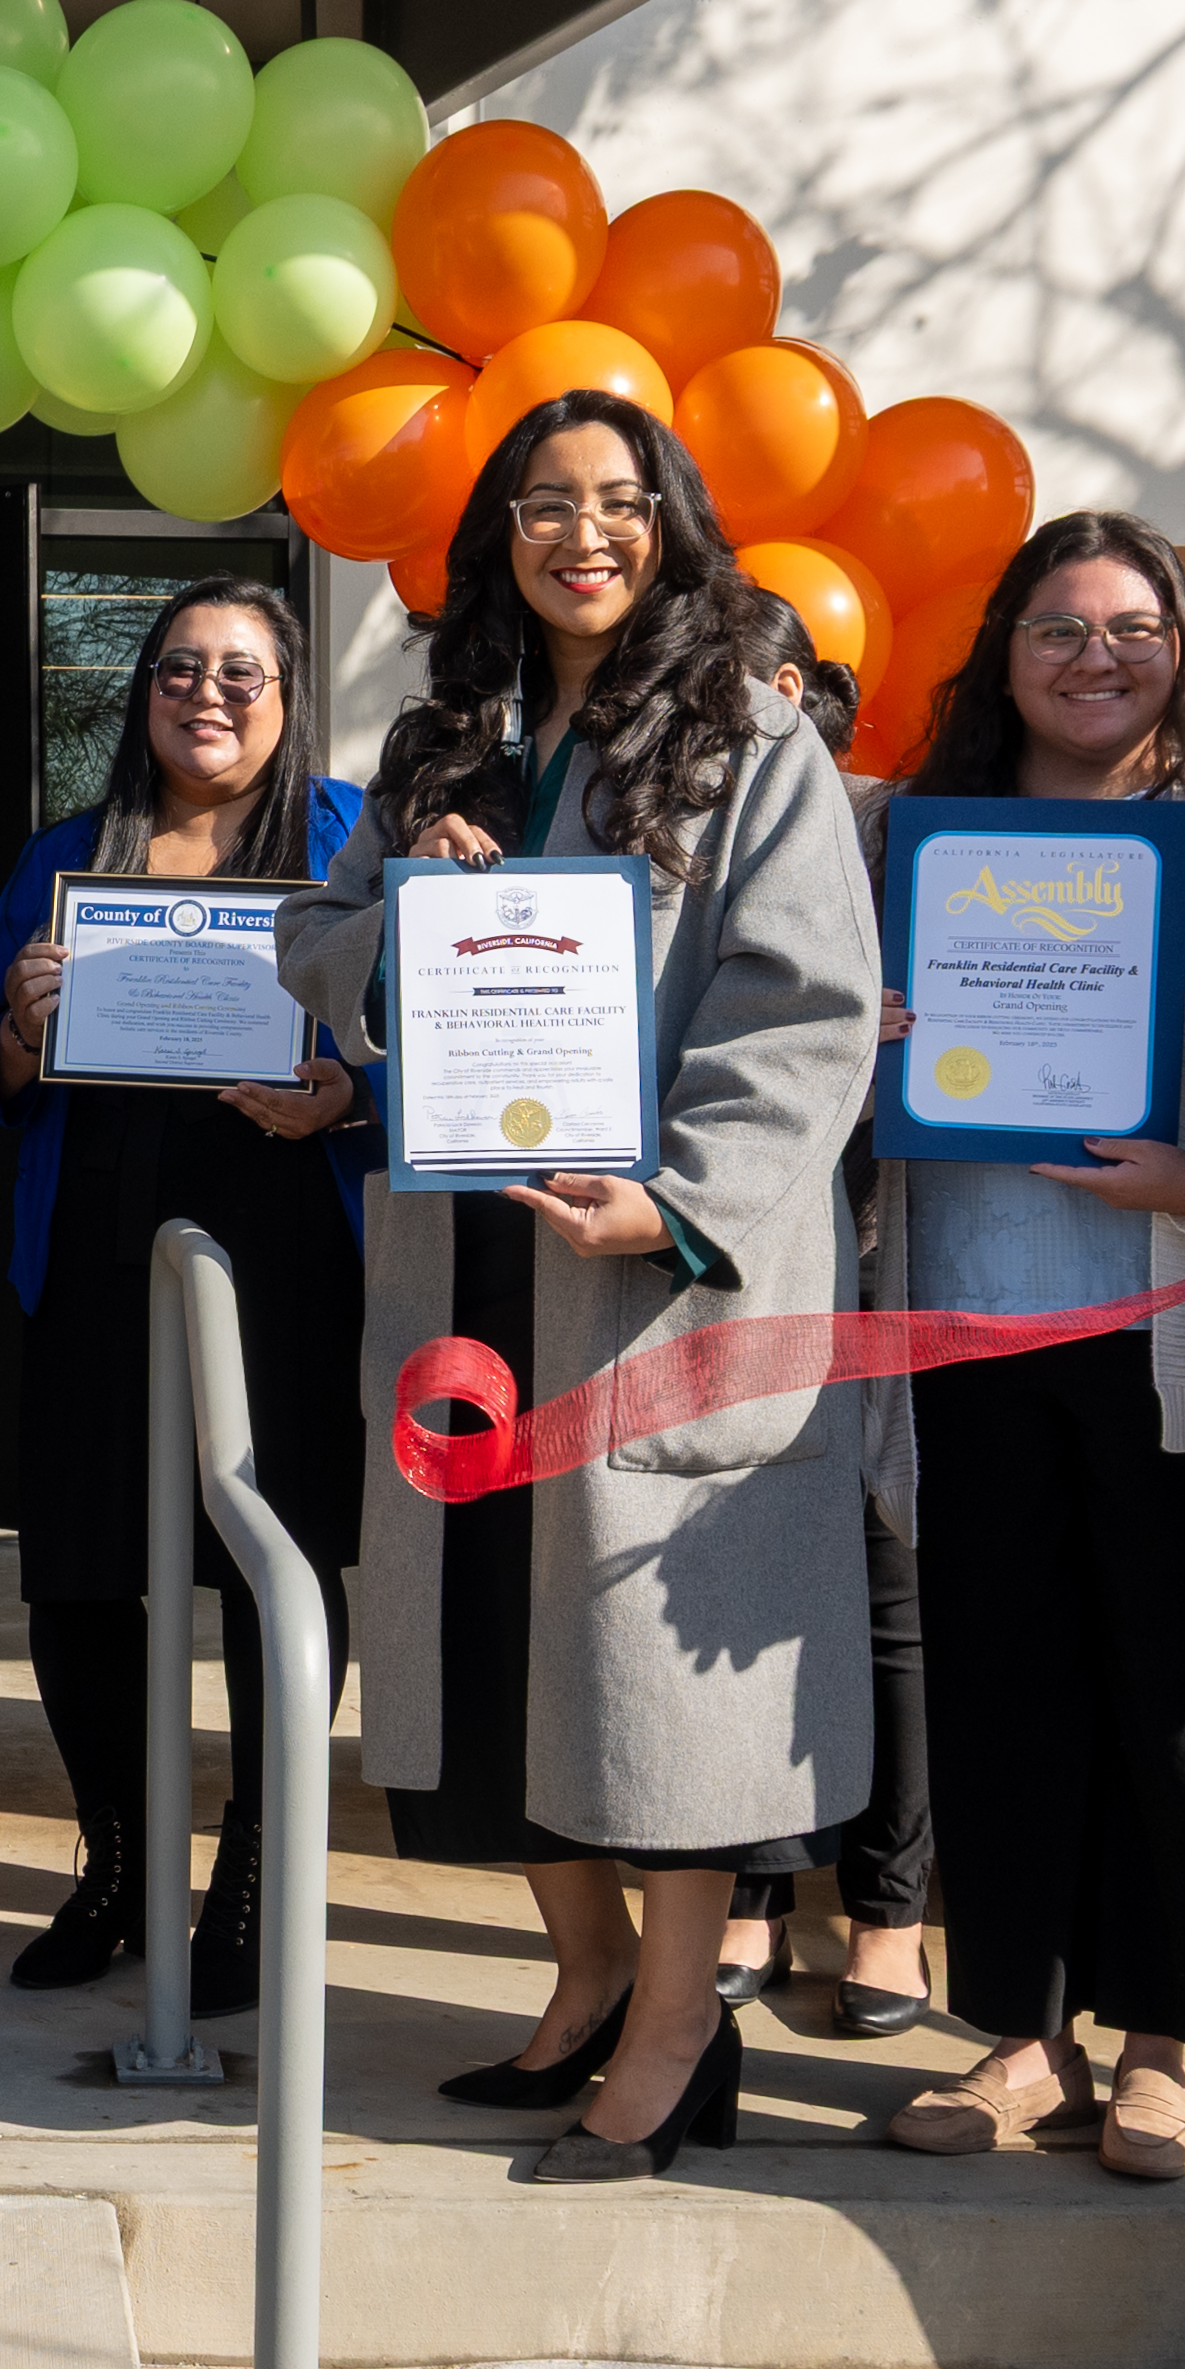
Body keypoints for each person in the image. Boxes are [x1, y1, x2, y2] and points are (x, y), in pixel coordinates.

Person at [275, 399, 884, 2181]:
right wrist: (402, 905)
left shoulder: (750, 739)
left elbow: (806, 1008)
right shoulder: (435, 742)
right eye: (545, 505)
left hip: (644, 1271)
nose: (582, 535)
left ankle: (683, 2029)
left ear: (671, 528)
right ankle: (588, 1974)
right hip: (469, 1249)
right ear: (499, 536)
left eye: (619, 503)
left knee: (643, 1679)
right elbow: (320, 945)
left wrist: (675, 1198)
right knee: (488, 1636)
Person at [856, 512, 1185, 2179]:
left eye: (1130, 626)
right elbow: (805, 1059)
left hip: (1178, 1332)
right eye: (1056, 627)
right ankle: (1020, 2041)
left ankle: (1162, 2054)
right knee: (1003, 1688)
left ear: (1180, 647)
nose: (1094, 657)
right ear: (999, 653)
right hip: (966, 1329)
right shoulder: (908, 848)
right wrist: (868, 1032)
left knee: (1184, 1696)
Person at [0, 577, 371, 2019]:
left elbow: (417, 1043)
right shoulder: (70, 854)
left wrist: (346, 1096)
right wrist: (17, 1024)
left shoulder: (346, 838)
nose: (208, 695)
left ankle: (252, 1875)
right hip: (95, 1244)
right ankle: (118, 1864)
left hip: (286, 1252)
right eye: (179, 669)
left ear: (288, 693)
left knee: (276, 1567)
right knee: (81, 1567)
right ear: (140, 694)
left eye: (242, 674)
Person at [717, 619, 937, 2053]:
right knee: (734, 1586)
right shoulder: (670, 823)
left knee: (882, 1583)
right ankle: (752, 1885)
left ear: (794, 689)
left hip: (879, 1248)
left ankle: (888, 1910)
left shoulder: (907, 832)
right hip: (732, 1260)